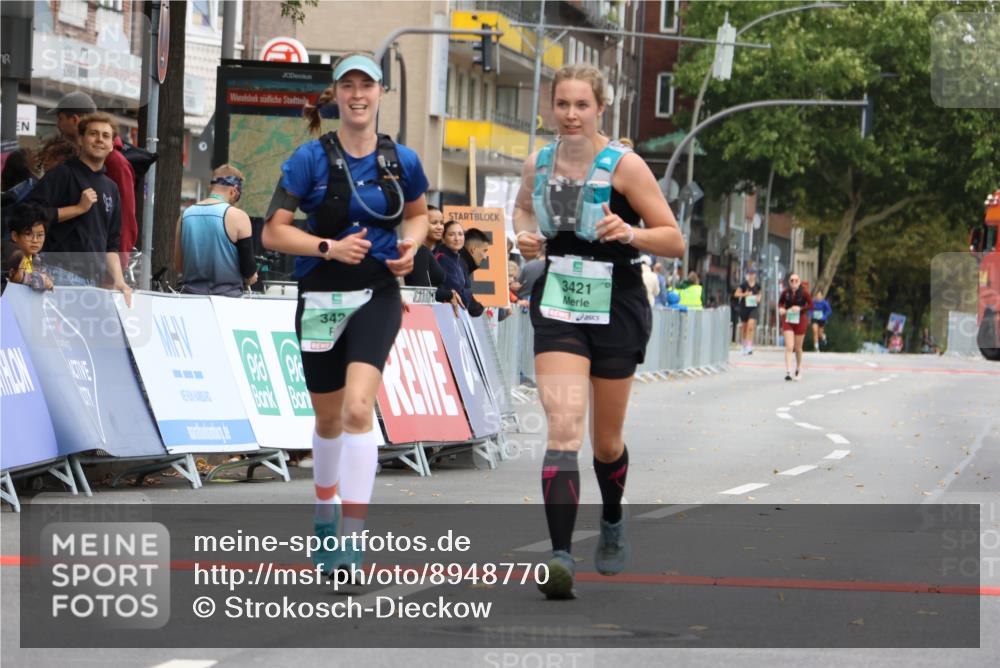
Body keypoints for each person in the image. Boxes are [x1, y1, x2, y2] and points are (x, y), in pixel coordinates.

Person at [512, 63, 684, 599]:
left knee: (606, 443)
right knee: (563, 429)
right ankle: (561, 557)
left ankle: (611, 517)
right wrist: (525, 238)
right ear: (551, 107)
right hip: (560, 300)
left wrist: (630, 232)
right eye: (562, 104)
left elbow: (673, 239)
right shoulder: (538, 164)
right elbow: (522, 211)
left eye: (581, 105)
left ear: (600, 108)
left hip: (617, 302)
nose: (570, 115)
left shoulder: (626, 167)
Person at [261, 54, 428, 576]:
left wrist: (409, 247)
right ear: (335, 95)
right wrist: (328, 247)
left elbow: (419, 216)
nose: (358, 95)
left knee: (359, 410)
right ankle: (324, 513)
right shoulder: (309, 159)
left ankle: (352, 539)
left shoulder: (402, 160)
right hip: (321, 295)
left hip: (377, 294)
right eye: (348, 86)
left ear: (380, 93)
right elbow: (272, 232)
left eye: (367, 85)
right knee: (329, 418)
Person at [25, 112, 132, 305]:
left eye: (106, 136)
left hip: (94, 282)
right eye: (93, 133)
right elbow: (29, 214)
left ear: (111, 145)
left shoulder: (111, 188)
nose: (99, 139)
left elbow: (111, 244)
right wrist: (77, 209)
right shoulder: (62, 174)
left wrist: (119, 280)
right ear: (81, 139)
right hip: (58, 274)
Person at [49, 92, 137, 265]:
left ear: (75, 120)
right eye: (93, 134)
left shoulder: (115, 163)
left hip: (95, 268)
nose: (57, 125)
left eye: (60, 118)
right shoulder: (67, 169)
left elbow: (123, 219)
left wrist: (118, 267)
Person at [173, 164, 258, 296]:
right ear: (234, 191)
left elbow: (179, 266)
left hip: (190, 299)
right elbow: (249, 274)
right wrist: (252, 276)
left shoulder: (185, 216)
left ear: (211, 187)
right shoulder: (238, 216)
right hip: (228, 301)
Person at [435, 221, 485, 317]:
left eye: (460, 234)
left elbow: (465, 292)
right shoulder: (442, 259)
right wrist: (466, 292)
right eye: (451, 235)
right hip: (444, 314)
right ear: (443, 238)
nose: (457, 238)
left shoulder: (459, 261)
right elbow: (462, 298)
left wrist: (465, 291)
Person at [3, 203, 53, 292]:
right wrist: (42, 280)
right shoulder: (11, 252)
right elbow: (16, 278)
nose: (35, 240)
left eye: (40, 235)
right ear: (15, 236)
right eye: (28, 234)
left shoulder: (35, 258)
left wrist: (47, 280)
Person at [778, 274, 813, 381]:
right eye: (792, 280)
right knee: (789, 346)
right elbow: (780, 303)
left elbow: (811, 305)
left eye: (796, 280)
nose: (794, 282)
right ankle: (788, 371)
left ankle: (798, 368)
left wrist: (800, 308)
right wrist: (781, 309)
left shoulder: (804, 293)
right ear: (789, 282)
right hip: (788, 319)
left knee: (798, 348)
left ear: (799, 282)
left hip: (800, 320)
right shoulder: (785, 292)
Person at [734, 268, 762, 355]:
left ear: (755, 275)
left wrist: (758, 298)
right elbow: (736, 294)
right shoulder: (743, 285)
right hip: (744, 307)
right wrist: (744, 294)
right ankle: (744, 345)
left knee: (750, 326)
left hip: (753, 308)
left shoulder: (758, 285)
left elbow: (759, 295)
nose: (751, 275)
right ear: (747, 275)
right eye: (750, 274)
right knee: (745, 327)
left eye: (753, 274)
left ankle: (749, 346)